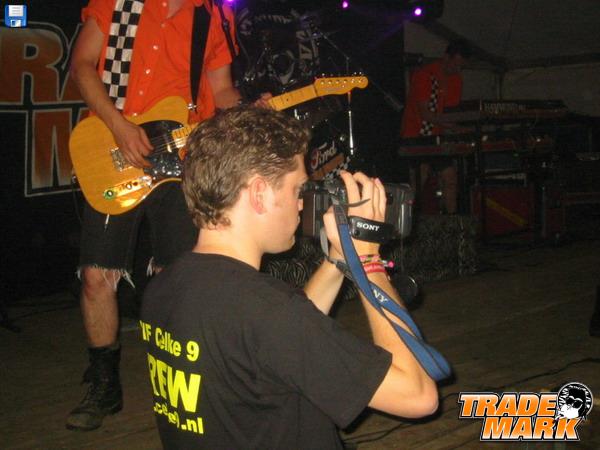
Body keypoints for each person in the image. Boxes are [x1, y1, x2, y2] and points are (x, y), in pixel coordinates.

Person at [140, 106, 439, 449]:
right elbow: (419, 396)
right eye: (297, 190)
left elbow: (276, 346)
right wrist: (368, 261)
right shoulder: (267, 310)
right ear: (259, 194)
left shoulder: (165, 286)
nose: (301, 204)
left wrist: (339, 260)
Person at [67, 0, 247, 431]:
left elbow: (221, 90)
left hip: (177, 159)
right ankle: (104, 385)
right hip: (114, 150)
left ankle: (186, 382)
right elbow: (82, 65)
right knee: (96, 276)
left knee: (181, 277)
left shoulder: (211, 17)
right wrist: (118, 125)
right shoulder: (119, 4)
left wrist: (248, 108)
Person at [400, 40, 471, 214]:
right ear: (446, 57)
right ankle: (409, 220)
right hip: (416, 135)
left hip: (437, 137)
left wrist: (457, 129)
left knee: (450, 178)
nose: (458, 69)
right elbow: (426, 114)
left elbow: (450, 112)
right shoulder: (425, 75)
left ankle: (452, 221)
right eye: (456, 64)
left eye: (461, 66)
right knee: (419, 177)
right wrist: (455, 127)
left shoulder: (456, 79)